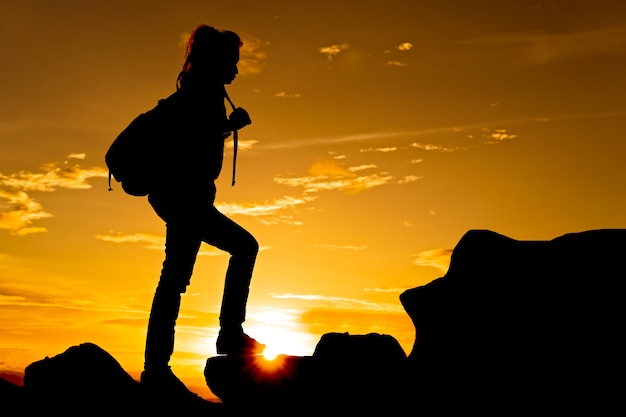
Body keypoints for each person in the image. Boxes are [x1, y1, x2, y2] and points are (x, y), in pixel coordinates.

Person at [140, 24, 264, 395]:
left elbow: (194, 140)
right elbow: (193, 148)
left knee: (174, 280)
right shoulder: (202, 95)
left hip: (181, 200)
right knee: (242, 249)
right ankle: (224, 338)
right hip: (187, 201)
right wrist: (228, 125)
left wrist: (226, 126)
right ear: (219, 60)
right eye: (234, 61)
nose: (237, 69)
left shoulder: (199, 92)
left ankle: (158, 368)